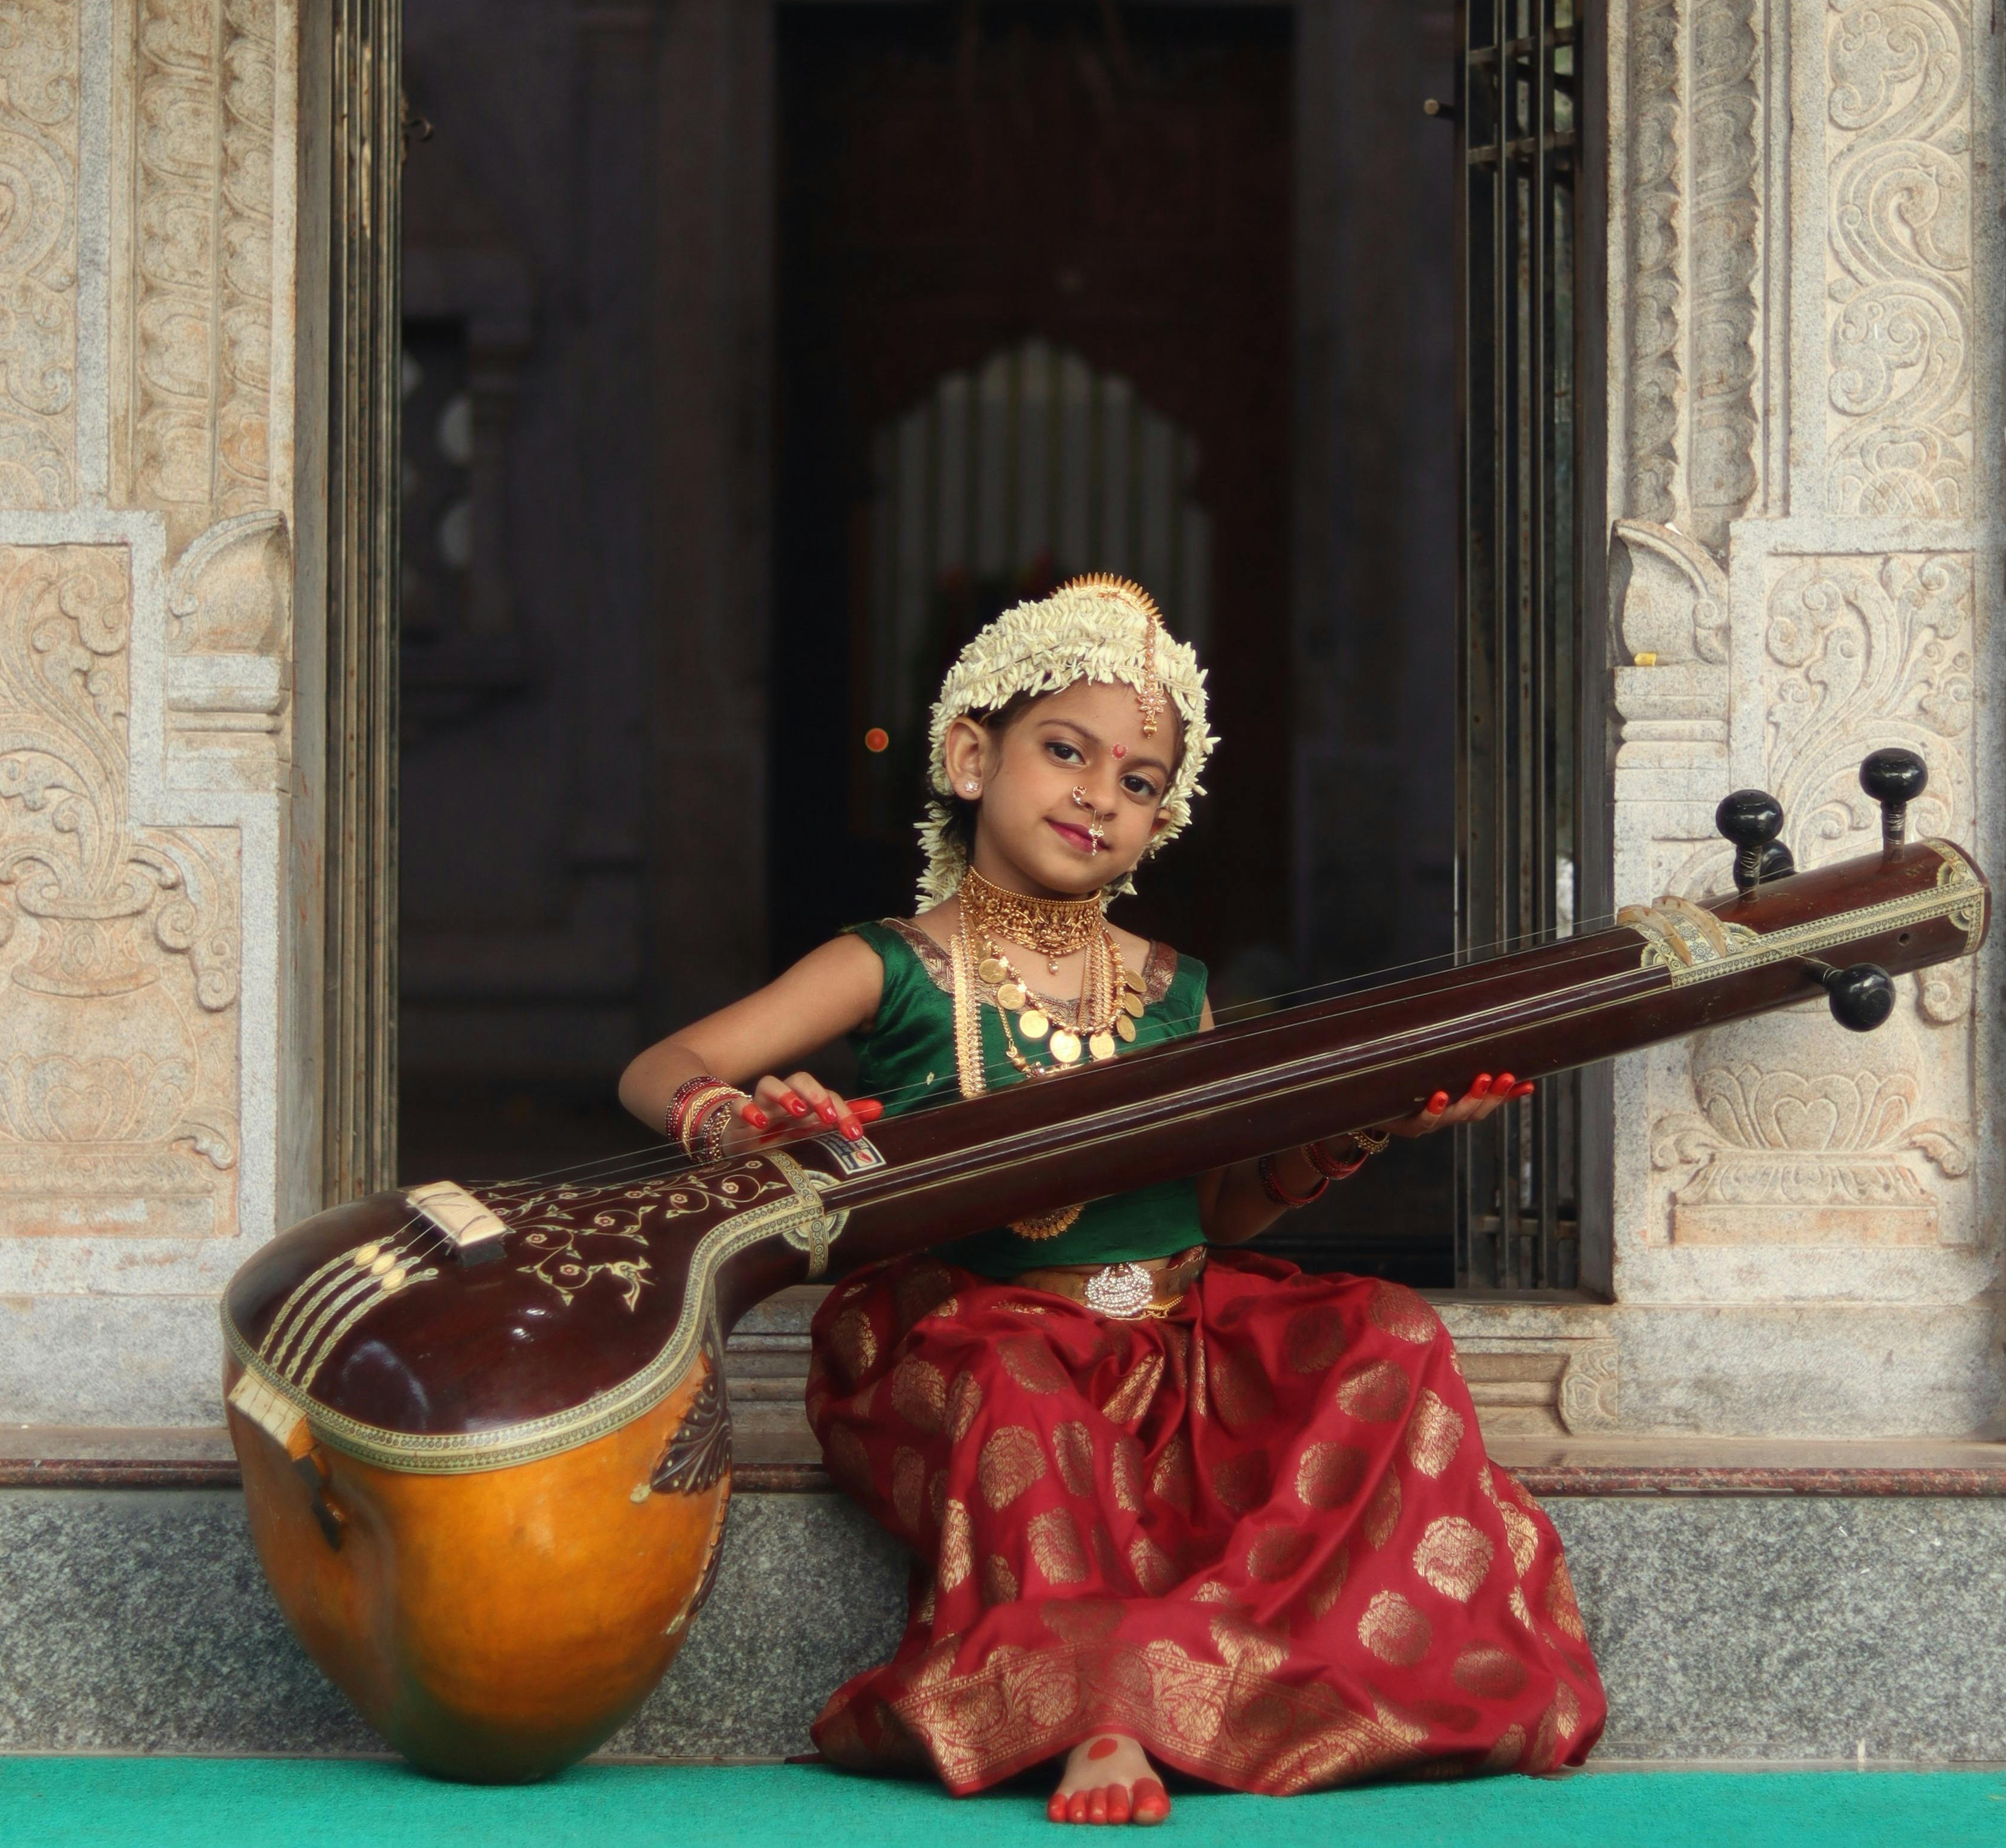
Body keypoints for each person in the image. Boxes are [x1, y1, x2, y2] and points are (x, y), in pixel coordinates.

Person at [620, 575, 1605, 1820]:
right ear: (971, 756)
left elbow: (1222, 1215)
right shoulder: (890, 961)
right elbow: (660, 1064)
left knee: (1389, 1333)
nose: (1099, 794)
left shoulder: (1172, 986)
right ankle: (1099, 1711)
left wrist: (1375, 1121)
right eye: (1066, 751)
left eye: (1140, 781)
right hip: (980, 1337)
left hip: (1171, 1337)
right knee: (1019, 1387)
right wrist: (728, 1116)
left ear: (1163, 817)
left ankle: (1243, 1669)